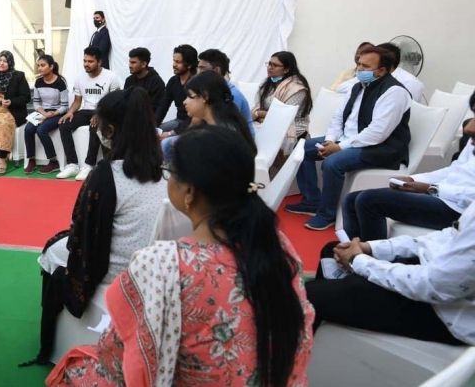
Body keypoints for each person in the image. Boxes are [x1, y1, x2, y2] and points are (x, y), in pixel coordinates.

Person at [47, 126, 314, 386]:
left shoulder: (161, 264)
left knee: (74, 368)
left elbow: (115, 357)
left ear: (189, 193)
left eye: (170, 171)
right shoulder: (277, 246)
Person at [23, 87, 168, 367]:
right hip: (152, 270)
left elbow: (82, 235)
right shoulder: (164, 172)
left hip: (113, 274)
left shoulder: (106, 174)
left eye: (100, 124)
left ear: (110, 130)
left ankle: (50, 340)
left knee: (51, 252)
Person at [307, 200, 475, 345]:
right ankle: (321, 327)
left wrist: (357, 260)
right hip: (435, 276)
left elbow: (433, 285)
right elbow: (446, 237)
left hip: (447, 313)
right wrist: (370, 248)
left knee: (308, 295)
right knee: (332, 251)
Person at [286, 46, 412, 230]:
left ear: (381, 71)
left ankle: (327, 214)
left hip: (380, 148)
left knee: (333, 163)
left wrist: (339, 147)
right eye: (359, 64)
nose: (359, 69)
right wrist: (331, 140)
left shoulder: (394, 92)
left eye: (365, 66)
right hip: (349, 140)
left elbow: (377, 133)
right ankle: (312, 200)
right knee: (301, 148)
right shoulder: (358, 86)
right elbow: (338, 117)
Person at [342, 93, 475, 241]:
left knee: (369, 200)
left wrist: (432, 189)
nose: (469, 127)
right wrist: (413, 179)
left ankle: (368, 251)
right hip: (443, 195)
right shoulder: (473, 141)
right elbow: (455, 169)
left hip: (460, 210)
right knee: (351, 199)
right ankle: (350, 250)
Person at [56, 47, 122, 180]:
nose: (86, 64)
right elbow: (77, 101)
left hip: (104, 111)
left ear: (99, 62)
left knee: (95, 126)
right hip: (86, 110)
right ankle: (72, 164)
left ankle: (89, 165)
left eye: (90, 61)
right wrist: (70, 112)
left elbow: (115, 102)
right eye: (85, 61)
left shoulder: (111, 77)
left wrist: (100, 114)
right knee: (64, 124)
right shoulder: (80, 78)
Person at [161, 70, 256, 161]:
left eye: (190, 96)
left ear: (205, 96)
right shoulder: (219, 124)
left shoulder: (219, 136)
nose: (184, 102)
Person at [252, 51, 312, 154]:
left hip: (291, 128)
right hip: (266, 122)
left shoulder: (297, 89)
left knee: (255, 135)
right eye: (269, 64)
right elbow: (257, 105)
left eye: (275, 65)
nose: (270, 67)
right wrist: (260, 114)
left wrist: (260, 114)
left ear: (286, 69)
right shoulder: (267, 83)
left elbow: (283, 116)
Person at [24, 55, 69, 175]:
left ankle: (53, 162)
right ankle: (31, 160)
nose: (39, 68)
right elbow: (36, 103)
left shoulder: (60, 82)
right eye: (38, 65)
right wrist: (44, 113)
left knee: (41, 130)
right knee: (28, 129)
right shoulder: (38, 82)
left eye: (43, 65)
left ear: (51, 67)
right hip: (43, 113)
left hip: (57, 113)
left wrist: (52, 114)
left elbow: (65, 106)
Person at [197, 48, 255, 136]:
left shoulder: (232, 95)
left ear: (216, 70)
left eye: (202, 68)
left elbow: (226, 129)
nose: (198, 73)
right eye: (198, 68)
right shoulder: (212, 91)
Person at [155, 44, 197, 132]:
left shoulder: (197, 82)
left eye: (178, 62)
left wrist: (173, 133)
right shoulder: (173, 81)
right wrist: (153, 126)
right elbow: (163, 106)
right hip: (178, 121)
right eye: (174, 61)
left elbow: (197, 116)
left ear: (189, 65)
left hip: (195, 124)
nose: (174, 65)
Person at [123, 47, 165, 112]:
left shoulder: (157, 82)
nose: (130, 65)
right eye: (130, 62)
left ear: (143, 64)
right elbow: (124, 102)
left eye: (133, 62)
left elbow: (158, 108)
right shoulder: (129, 80)